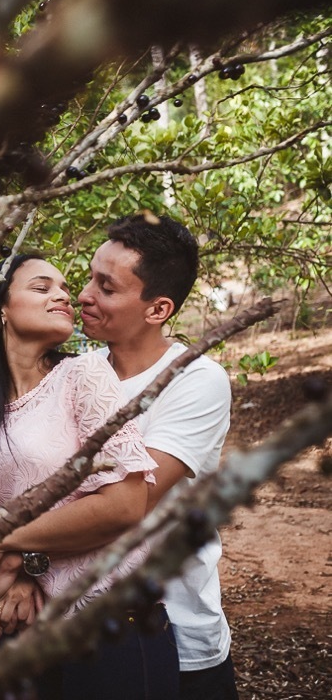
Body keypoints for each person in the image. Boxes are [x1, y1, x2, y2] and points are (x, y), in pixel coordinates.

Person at [0, 254, 178, 700]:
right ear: (1, 309)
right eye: (42, 288)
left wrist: (0, 542)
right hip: (26, 634)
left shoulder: (84, 375)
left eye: (63, 288)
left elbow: (124, 506)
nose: (64, 296)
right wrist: (21, 572)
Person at [77, 213, 238, 700]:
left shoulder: (196, 381)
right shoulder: (77, 374)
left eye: (106, 287)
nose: (83, 295)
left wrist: (12, 548)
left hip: (178, 638)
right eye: (89, 278)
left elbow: (126, 505)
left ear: (158, 309)